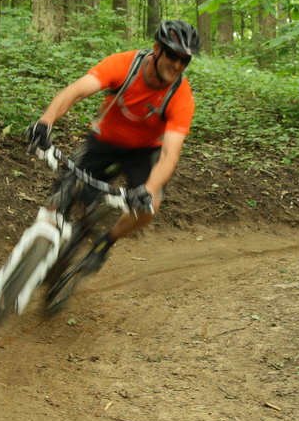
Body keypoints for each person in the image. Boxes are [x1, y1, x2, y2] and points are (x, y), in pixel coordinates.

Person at [25, 20, 200, 273]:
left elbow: (169, 156)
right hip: (104, 141)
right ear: (157, 49)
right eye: (173, 55)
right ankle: (58, 233)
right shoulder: (125, 65)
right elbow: (76, 91)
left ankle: (105, 243)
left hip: (144, 151)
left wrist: (149, 189)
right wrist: (45, 122)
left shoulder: (180, 97)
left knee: (150, 207)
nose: (177, 65)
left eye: (185, 60)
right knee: (65, 192)